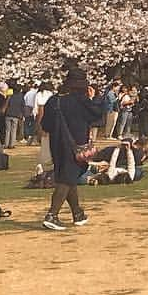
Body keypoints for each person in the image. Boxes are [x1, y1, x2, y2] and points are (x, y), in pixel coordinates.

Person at [41, 68, 104, 230]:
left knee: (68, 176)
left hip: (56, 144)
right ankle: (52, 215)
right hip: (76, 145)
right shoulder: (80, 100)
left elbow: (45, 125)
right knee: (67, 178)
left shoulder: (53, 100)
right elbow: (97, 115)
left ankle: (77, 213)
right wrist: (94, 98)